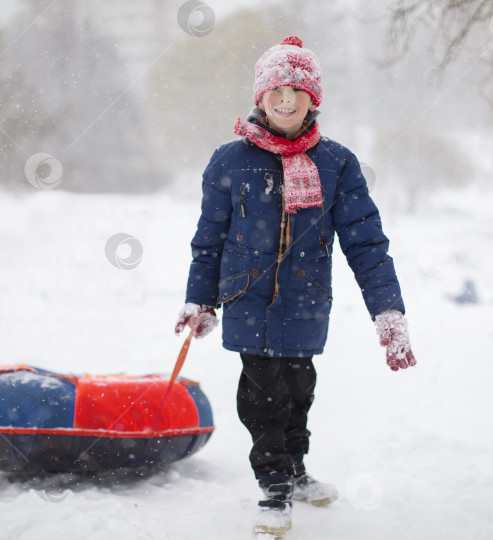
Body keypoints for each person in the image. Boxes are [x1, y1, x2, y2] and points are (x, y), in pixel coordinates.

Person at [174, 36, 416, 537]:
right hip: (247, 299)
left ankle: (296, 466)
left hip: (307, 299)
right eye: (276, 89)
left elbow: (366, 243)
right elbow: (208, 241)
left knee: (298, 390)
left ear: (314, 99)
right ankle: (275, 484)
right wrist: (201, 298)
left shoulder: (337, 164)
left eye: (298, 90)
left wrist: (388, 312)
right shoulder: (229, 161)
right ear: (260, 96)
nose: (286, 100)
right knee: (260, 393)